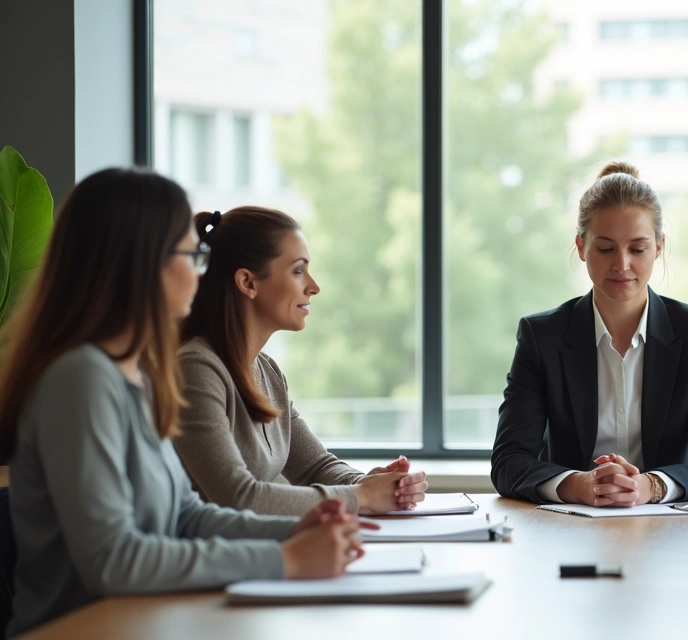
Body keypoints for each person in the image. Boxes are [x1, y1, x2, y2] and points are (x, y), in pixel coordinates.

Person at [0, 169, 371, 637]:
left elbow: (186, 517)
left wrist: (297, 529)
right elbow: (114, 560)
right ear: (140, 264)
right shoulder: (80, 379)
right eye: (191, 255)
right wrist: (284, 559)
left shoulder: (135, 377)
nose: (201, 272)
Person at [491, 161, 688, 505]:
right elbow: (508, 462)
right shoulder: (541, 337)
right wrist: (580, 485)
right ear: (581, 247)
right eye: (605, 248)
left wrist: (650, 486)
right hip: (569, 525)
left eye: (637, 248)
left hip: (669, 527)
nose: (622, 264)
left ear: (659, 246)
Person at [173, 206, 427, 517]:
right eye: (298, 270)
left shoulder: (267, 372)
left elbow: (314, 467)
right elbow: (238, 497)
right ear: (248, 282)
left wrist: (370, 484)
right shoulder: (196, 369)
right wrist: (362, 496)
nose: (313, 286)